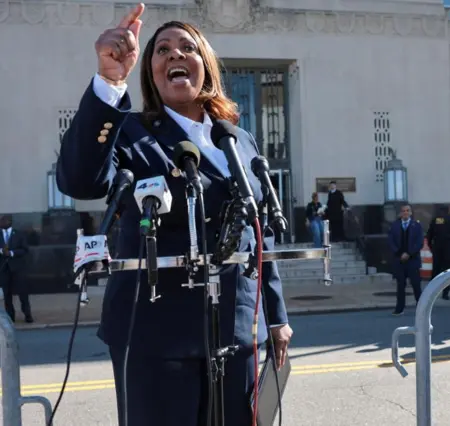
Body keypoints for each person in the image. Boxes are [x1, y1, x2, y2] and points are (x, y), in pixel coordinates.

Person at [55, 5, 293, 425]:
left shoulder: (237, 138)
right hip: (153, 335)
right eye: (162, 50)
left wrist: (276, 316)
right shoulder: (131, 132)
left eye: (187, 47)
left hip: (237, 332)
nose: (175, 55)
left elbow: (260, 231)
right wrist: (110, 81)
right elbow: (80, 181)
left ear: (206, 65)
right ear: (150, 71)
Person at [388, 204, 424, 316]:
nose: (405, 213)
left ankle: (422, 308)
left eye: (408, 211)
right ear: (400, 213)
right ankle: (399, 308)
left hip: (413, 260)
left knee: (416, 285)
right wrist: (399, 253)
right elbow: (391, 241)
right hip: (399, 260)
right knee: (400, 286)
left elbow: (419, 242)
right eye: (403, 211)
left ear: (411, 213)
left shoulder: (416, 225)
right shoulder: (395, 226)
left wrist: (409, 253)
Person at [0, 215, 32, 323]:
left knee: (23, 293)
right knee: (7, 294)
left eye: (3, 220)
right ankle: (10, 317)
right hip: (4, 269)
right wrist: (1, 251)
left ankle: (27, 315)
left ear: (9, 221)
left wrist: (12, 253)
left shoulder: (19, 234)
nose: (1, 222)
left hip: (18, 268)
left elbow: (25, 250)